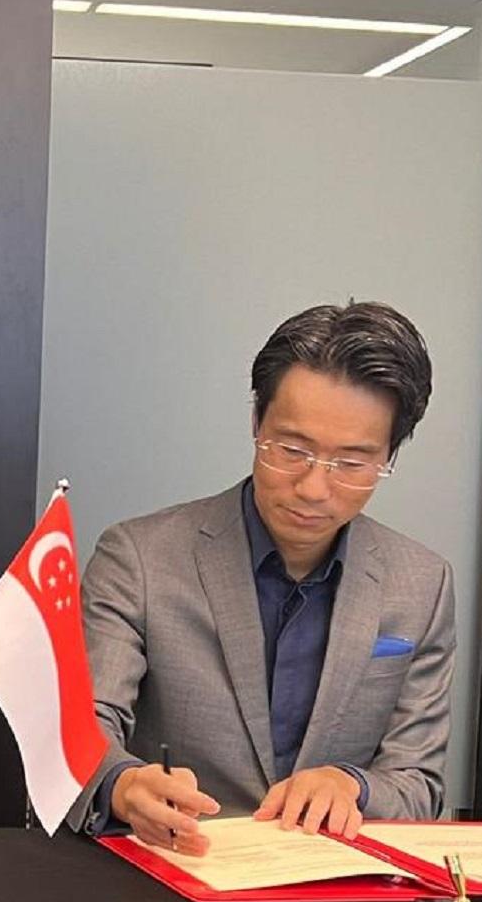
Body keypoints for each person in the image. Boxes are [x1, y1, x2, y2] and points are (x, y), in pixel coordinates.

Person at [71, 300, 456, 852]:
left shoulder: (421, 583)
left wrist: (354, 785)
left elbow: (420, 785)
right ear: (257, 422)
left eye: (352, 463)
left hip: (335, 898)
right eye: (292, 449)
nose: (313, 488)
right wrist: (124, 784)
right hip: (174, 876)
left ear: (391, 453)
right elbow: (84, 730)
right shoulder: (139, 557)